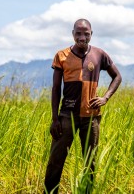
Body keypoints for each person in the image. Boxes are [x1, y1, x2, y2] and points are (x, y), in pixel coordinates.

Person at [44, 19, 122, 193]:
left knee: (90, 162)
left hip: (91, 117)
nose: (82, 37)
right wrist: (55, 118)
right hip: (66, 117)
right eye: (78, 33)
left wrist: (105, 97)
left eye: (86, 34)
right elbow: (56, 88)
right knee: (55, 161)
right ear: (73, 34)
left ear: (91, 35)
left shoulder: (100, 54)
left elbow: (117, 76)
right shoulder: (61, 56)